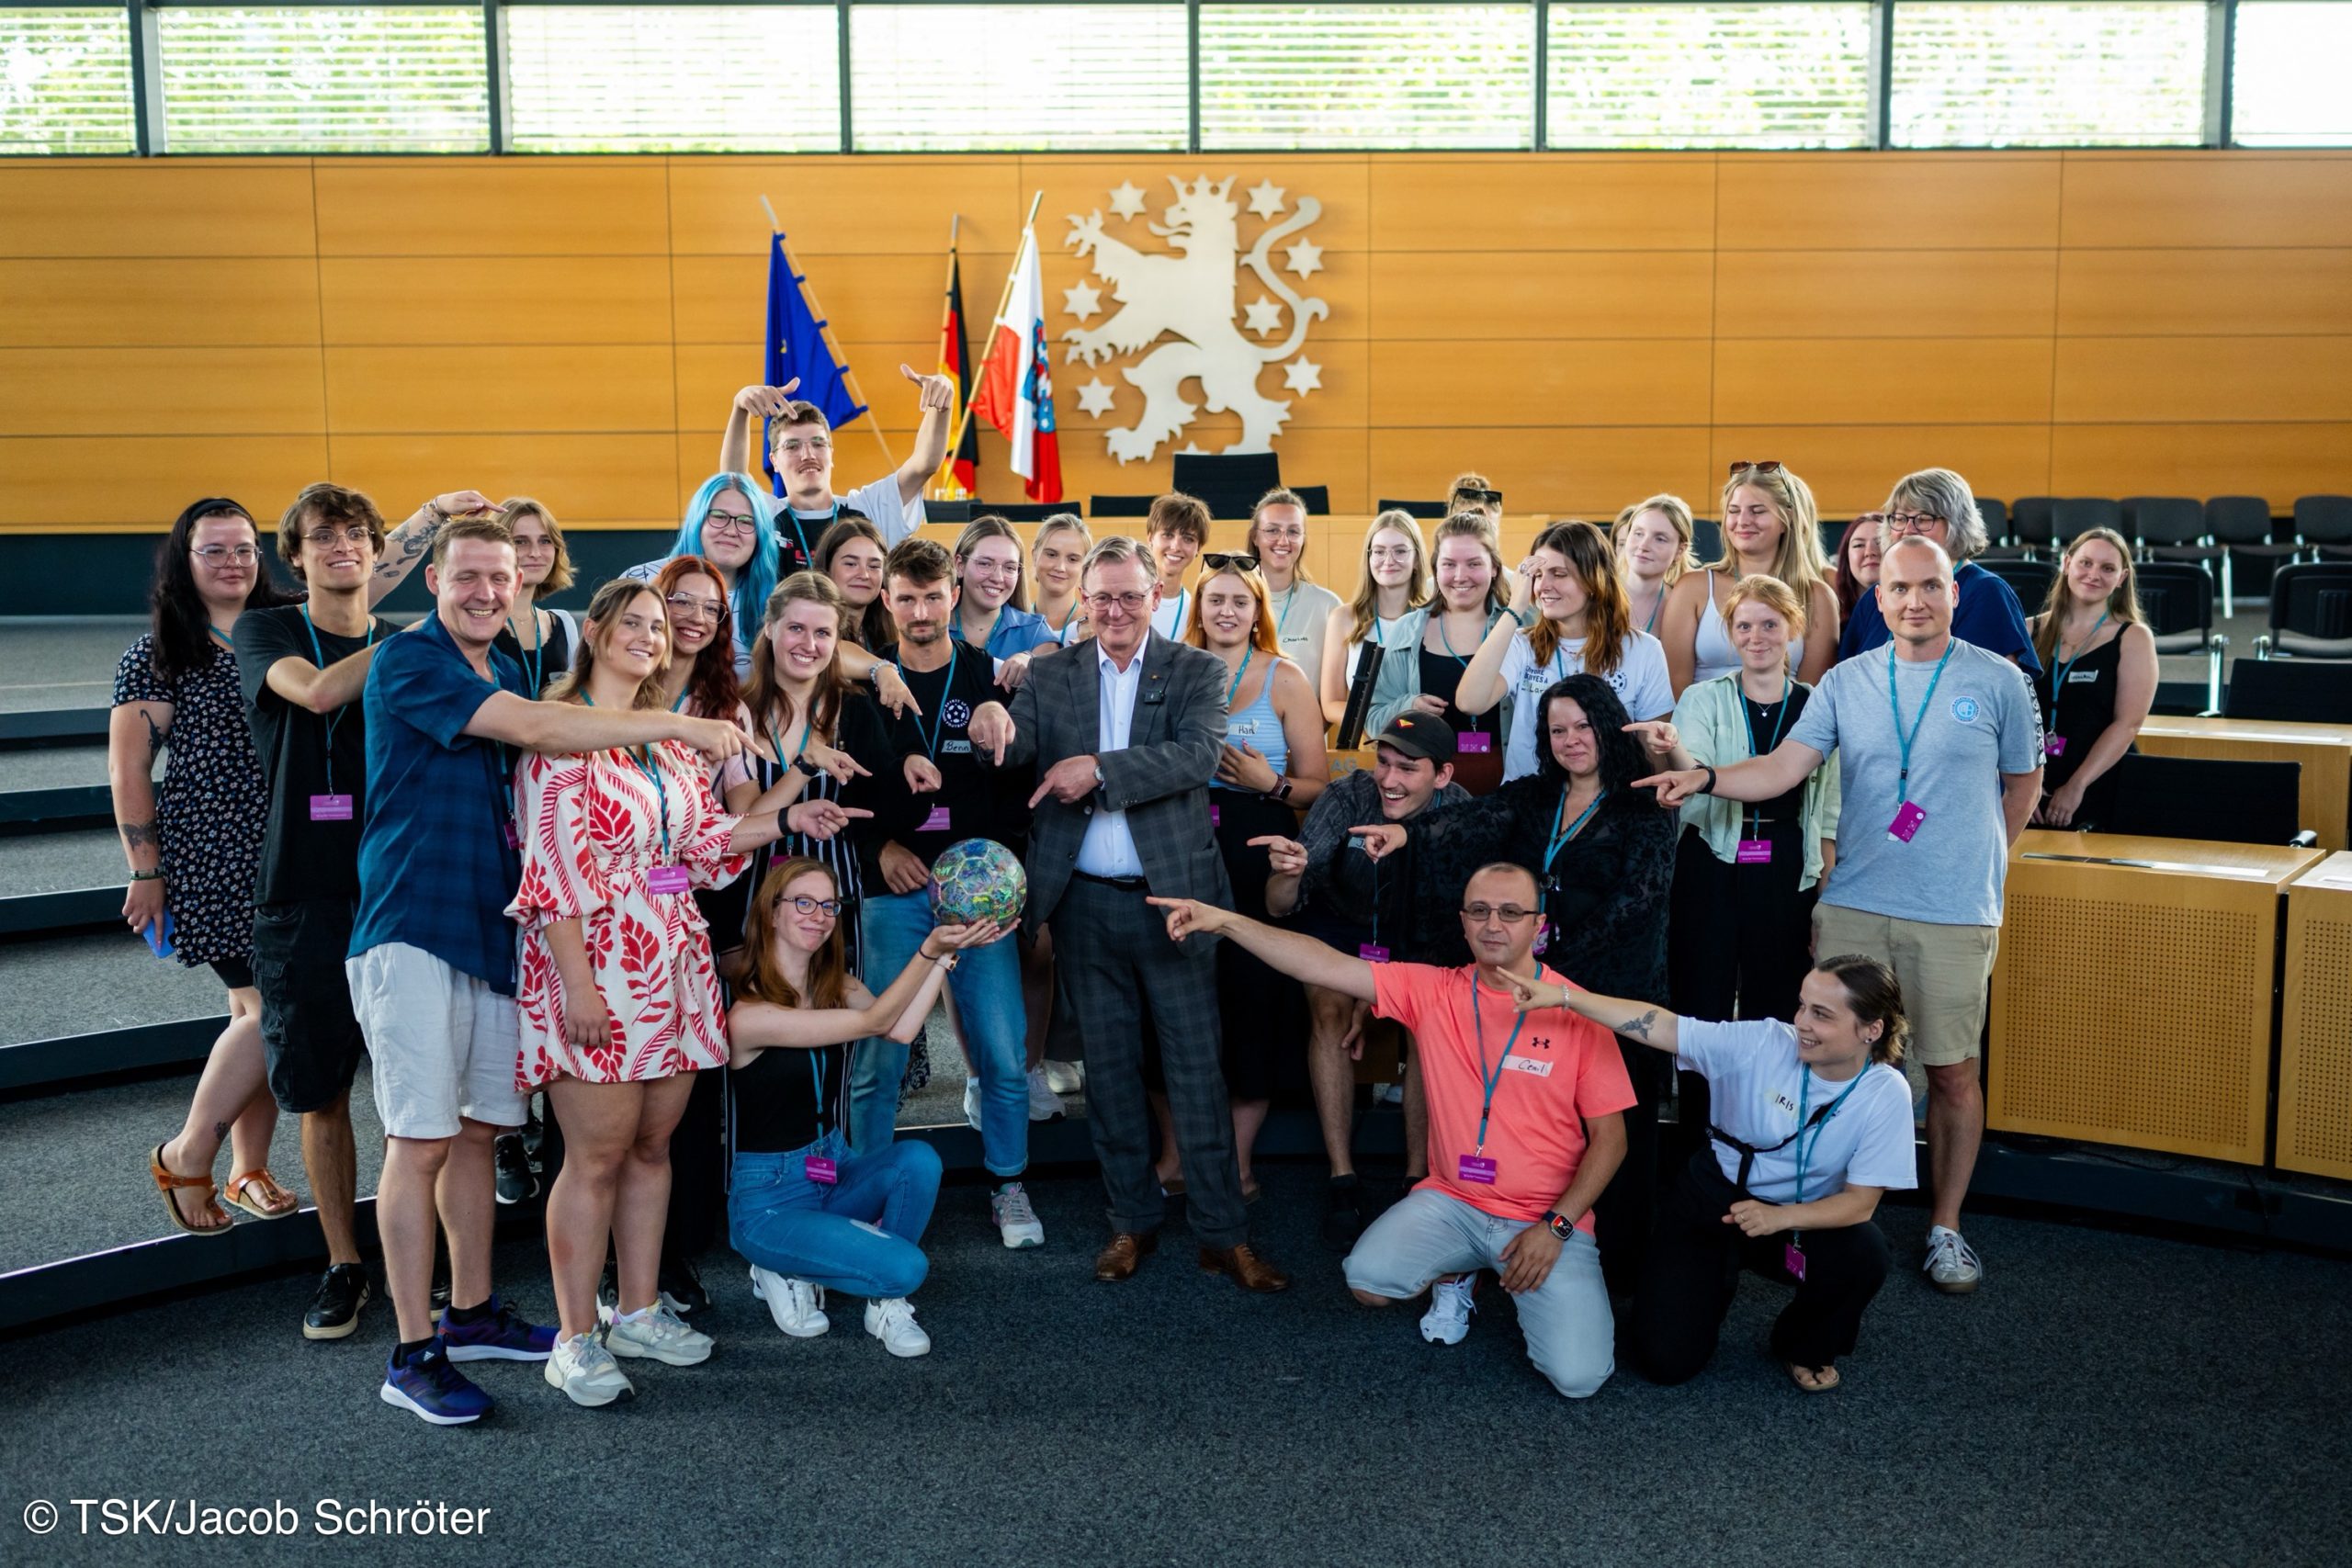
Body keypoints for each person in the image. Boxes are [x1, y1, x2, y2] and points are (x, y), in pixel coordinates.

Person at [349, 513, 756, 1427]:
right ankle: (412, 1352)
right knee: (418, 1145)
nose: (488, 591)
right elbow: (543, 736)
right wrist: (684, 725)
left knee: (476, 1137)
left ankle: (473, 1314)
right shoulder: (415, 663)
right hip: (413, 926)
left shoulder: (498, 666)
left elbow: (682, 850)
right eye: (470, 576)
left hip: (493, 941)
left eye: (502, 577)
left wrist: (782, 802)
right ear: (432, 581)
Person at [1641, 535, 2043, 1297]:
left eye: (1929, 586)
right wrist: (1704, 775)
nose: (1915, 601)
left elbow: (2021, 784)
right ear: (1879, 597)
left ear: (1953, 594)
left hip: (1953, 912)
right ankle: (1826, 1211)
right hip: (1856, 902)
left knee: (1950, 1071)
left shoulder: (1998, 681)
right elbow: (1784, 770)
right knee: (1833, 1063)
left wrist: (1976, 860)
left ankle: (1945, 1225)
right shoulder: (1846, 682)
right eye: (1899, 588)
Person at [508, 580, 843, 1407]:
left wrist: (791, 808)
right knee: (594, 1157)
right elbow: (549, 872)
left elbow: (707, 849)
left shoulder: (671, 744)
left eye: (660, 627)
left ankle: (640, 1308)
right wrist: (579, 989)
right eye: (635, 622)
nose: (652, 635)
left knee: (653, 1150)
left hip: (674, 962)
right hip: (592, 964)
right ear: (595, 631)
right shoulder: (563, 734)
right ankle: (575, 1337)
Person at [1150, 863, 1632, 1399]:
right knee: (1367, 1280)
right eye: (1479, 910)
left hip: (1545, 1214)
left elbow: (1612, 1140)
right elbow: (1322, 963)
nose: (1493, 923)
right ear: (1464, 922)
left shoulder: (1577, 1009)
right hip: (1455, 1200)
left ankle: (1505, 1273)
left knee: (1579, 1379)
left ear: (1537, 925)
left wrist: (1557, 1227)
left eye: (1511, 912)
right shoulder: (1434, 990)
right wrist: (1226, 922)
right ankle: (1464, 1268)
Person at [967, 536, 1288, 1292]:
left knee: (1195, 1068)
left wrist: (1099, 770)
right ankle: (1129, 1221)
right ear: (1083, 600)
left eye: (1130, 595)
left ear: (1154, 598)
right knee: (1108, 1074)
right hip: (1082, 906)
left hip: (1175, 900)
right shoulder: (1052, 673)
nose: (1115, 609)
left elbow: (1197, 755)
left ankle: (1223, 1233)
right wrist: (993, 724)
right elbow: (1021, 757)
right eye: (1102, 596)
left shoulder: (1195, 668)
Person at [1360, 673, 1679, 1296]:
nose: (1571, 739)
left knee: (1617, 1135)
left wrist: (1553, 959)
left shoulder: (1643, 804)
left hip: (1609, 996)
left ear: (1608, 727)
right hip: (1538, 994)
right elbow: (1472, 824)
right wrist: (1407, 834)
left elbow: (1638, 904)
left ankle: (1613, 1266)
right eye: (1557, 729)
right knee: (1535, 1127)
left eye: (1583, 725)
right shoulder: (1535, 795)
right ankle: (1499, 1241)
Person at [1492, 956, 1916, 1393]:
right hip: (1714, 1198)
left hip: (1796, 1219)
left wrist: (1780, 1218)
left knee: (1865, 1254)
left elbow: (1861, 1203)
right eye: (1802, 1006)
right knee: (1664, 1361)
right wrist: (1564, 998)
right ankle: (1712, 1278)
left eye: (1822, 1014)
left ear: (1872, 1029)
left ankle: (1802, 1342)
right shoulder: (1763, 1041)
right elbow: (1661, 1026)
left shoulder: (1885, 1093)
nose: (1802, 1023)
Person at [239, 483, 452, 1337]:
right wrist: (420, 639)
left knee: (425, 1096)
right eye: (323, 537)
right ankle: (343, 1262)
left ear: (375, 550)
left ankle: (424, 1264)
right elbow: (320, 694)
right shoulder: (268, 631)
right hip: (306, 891)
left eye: (357, 535)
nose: (343, 547)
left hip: (400, 889)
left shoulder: (403, 642)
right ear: (296, 557)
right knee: (324, 1093)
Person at [727, 860, 1007, 1356]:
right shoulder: (750, 1014)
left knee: (917, 1159)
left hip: (832, 1166)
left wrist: (945, 958)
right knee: (906, 1267)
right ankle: (780, 1263)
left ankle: (883, 1307)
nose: (819, 916)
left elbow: (899, 1030)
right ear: (771, 913)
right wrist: (928, 948)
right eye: (803, 903)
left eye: (829, 905)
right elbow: (878, 1020)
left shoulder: (837, 986)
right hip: (770, 1198)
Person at [855, 537, 1047, 1249]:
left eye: (933, 596)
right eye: (906, 597)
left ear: (955, 592)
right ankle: (870, 1184)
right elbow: (846, 790)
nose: (921, 611)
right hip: (895, 888)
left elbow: (1018, 790)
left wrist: (1011, 724)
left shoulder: (986, 676)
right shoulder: (868, 684)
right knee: (879, 1053)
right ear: (887, 600)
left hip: (976, 901)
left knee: (1000, 1052)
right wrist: (880, 848)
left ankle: (1007, 1183)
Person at [117, 500, 293, 1245]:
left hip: (290, 847)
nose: (232, 562)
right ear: (183, 561)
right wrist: (144, 868)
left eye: (246, 549)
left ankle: (248, 1166)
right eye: (213, 550)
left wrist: (436, 513)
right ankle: (188, 1152)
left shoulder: (282, 626)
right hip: (212, 855)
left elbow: (367, 573)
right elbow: (129, 767)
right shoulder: (161, 649)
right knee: (270, 1009)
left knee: (255, 1012)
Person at [1258, 715, 1469, 1246]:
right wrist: (1286, 874)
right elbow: (1279, 908)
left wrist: (1381, 991)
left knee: (1430, 1021)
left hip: (1417, 941)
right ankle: (1341, 1177)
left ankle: (1418, 1177)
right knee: (1329, 1012)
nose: (1389, 778)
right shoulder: (1348, 794)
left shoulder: (1464, 813)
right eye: (1384, 762)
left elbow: (1450, 929)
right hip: (1340, 926)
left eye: (1408, 768)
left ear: (1441, 775)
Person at [1172, 550, 1329, 1199]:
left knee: (1252, 1000)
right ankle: (1177, 1157)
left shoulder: (1284, 677)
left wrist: (1275, 783)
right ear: (1199, 608)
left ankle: (1237, 1162)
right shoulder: (1173, 672)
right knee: (1180, 998)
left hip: (1259, 848)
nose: (1228, 611)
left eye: (1241, 600)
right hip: (1183, 845)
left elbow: (1321, 786)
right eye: (1216, 600)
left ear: (1257, 608)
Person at [1638, 575, 1841, 1031]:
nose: (1756, 638)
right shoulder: (1702, 697)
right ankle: (1699, 1103)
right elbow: (1695, 772)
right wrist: (1673, 748)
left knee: (1777, 1000)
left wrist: (1825, 897)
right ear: (1730, 633)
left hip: (1788, 861)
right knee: (1700, 998)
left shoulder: (1818, 706)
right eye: (1744, 626)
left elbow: (1828, 813)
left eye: (1770, 625)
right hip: (1711, 859)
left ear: (1793, 628)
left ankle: (1767, 1103)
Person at [729, 573, 903, 987]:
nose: (809, 645)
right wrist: (804, 767)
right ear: (770, 628)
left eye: (822, 633)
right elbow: (744, 823)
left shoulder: (857, 711)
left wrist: (911, 761)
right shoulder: (737, 712)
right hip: (757, 898)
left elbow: (890, 807)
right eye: (796, 629)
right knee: (763, 1028)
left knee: (836, 1019)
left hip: (831, 900)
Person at [1453, 519, 1673, 781]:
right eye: (1537, 576)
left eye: (1559, 574)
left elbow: (1655, 752)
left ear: (1594, 579)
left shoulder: (1643, 650)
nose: (1543, 586)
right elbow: (1470, 702)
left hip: (1609, 803)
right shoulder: (1522, 644)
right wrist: (1515, 609)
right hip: (1530, 802)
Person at [719, 368, 955, 574]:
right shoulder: (767, 515)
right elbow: (733, 479)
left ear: (832, 454)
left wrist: (941, 404)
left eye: (818, 443)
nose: (807, 455)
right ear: (774, 461)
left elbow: (925, 463)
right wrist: (740, 408)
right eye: (792, 446)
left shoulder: (868, 508)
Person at [1365, 511, 1516, 789]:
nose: (1461, 576)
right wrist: (1408, 708)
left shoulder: (1520, 627)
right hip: (1428, 791)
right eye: (1449, 564)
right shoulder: (1406, 630)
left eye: (1474, 564)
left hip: (1509, 784)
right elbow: (1373, 720)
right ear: (1435, 569)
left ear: (1495, 567)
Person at [1837, 468, 2041, 673]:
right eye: (1900, 518)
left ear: (1957, 524)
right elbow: (1847, 678)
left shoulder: (1987, 592)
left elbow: (1999, 689)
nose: (1908, 530)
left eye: (1924, 518)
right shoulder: (1874, 598)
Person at [1660, 462, 1839, 693]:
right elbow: (1674, 692)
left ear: (1787, 518)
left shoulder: (1818, 596)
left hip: (1786, 727)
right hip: (1701, 725)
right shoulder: (1693, 587)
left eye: (1757, 511)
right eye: (1734, 511)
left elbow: (1812, 698)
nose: (1743, 521)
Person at [2029, 527, 2156, 830]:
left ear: (2122, 578)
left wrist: (2077, 785)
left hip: (2099, 781)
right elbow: (2003, 717)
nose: (2093, 574)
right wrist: (2021, 784)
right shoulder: (2028, 630)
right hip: (2032, 781)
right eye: (2085, 563)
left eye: (2107, 568)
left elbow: (2128, 723)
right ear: (2067, 563)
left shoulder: (2133, 637)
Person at [625, 473, 779, 679]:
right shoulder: (640, 582)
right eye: (719, 516)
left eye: (746, 521)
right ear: (698, 520)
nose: (732, 531)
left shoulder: (774, 601)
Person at [1320, 510, 1435, 725]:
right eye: (1379, 552)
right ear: (1369, 558)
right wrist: (1380, 722)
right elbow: (1331, 705)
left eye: (1400, 551)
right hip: (1367, 741)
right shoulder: (1343, 618)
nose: (1388, 561)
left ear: (1417, 559)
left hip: (1422, 742)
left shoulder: (1434, 617)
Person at [1249, 487, 1342, 680]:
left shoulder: (1328, 607)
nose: (1283, 541)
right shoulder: (1232, 602)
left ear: (1303, 539)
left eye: (1293, 532)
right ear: (1255, 537)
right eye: (1273, 530)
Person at [491, 497, 576, 697]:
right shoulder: (473, 622)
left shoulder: (564, 624)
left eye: (545, 541)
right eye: (520, 542)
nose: (535, 553)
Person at [952, 513, 1057, 671]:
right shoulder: (930, 626)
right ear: (959, 565)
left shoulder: (1037, 635)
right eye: (985, 564)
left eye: (1009, 568)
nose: (998, 578)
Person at [1613, 494, 1695, 639]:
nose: (1643, 545)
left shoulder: (1683, 606)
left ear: (1679, 550)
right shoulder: (1596, 596)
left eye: (1660, 539)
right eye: (1638, 534)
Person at [817, 515, 894, 652]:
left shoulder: (888, 631)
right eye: (851, 564)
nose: (864, 575)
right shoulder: (812, 627)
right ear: (826, 567)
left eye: (874, 566)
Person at [1145, 491, 1212, 639]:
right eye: (1168, 535)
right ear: (1150, 538)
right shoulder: (1125, 600)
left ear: (1198, 548)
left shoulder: (1197, 612)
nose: (1176, 546)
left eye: (1188, 539)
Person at [1030, 513, 1093, 649]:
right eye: (1052, 555)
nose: (1060, 567)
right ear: (1034, 555)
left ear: (1085, 566)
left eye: (1072, 559)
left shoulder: (1095, 626)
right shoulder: (1013, 621)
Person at [1831, 513, 1884, 632]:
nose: (1870, 552)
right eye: (1859, 545)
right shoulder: (1830, 616)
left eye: (1880, 542)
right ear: (1846, 558)